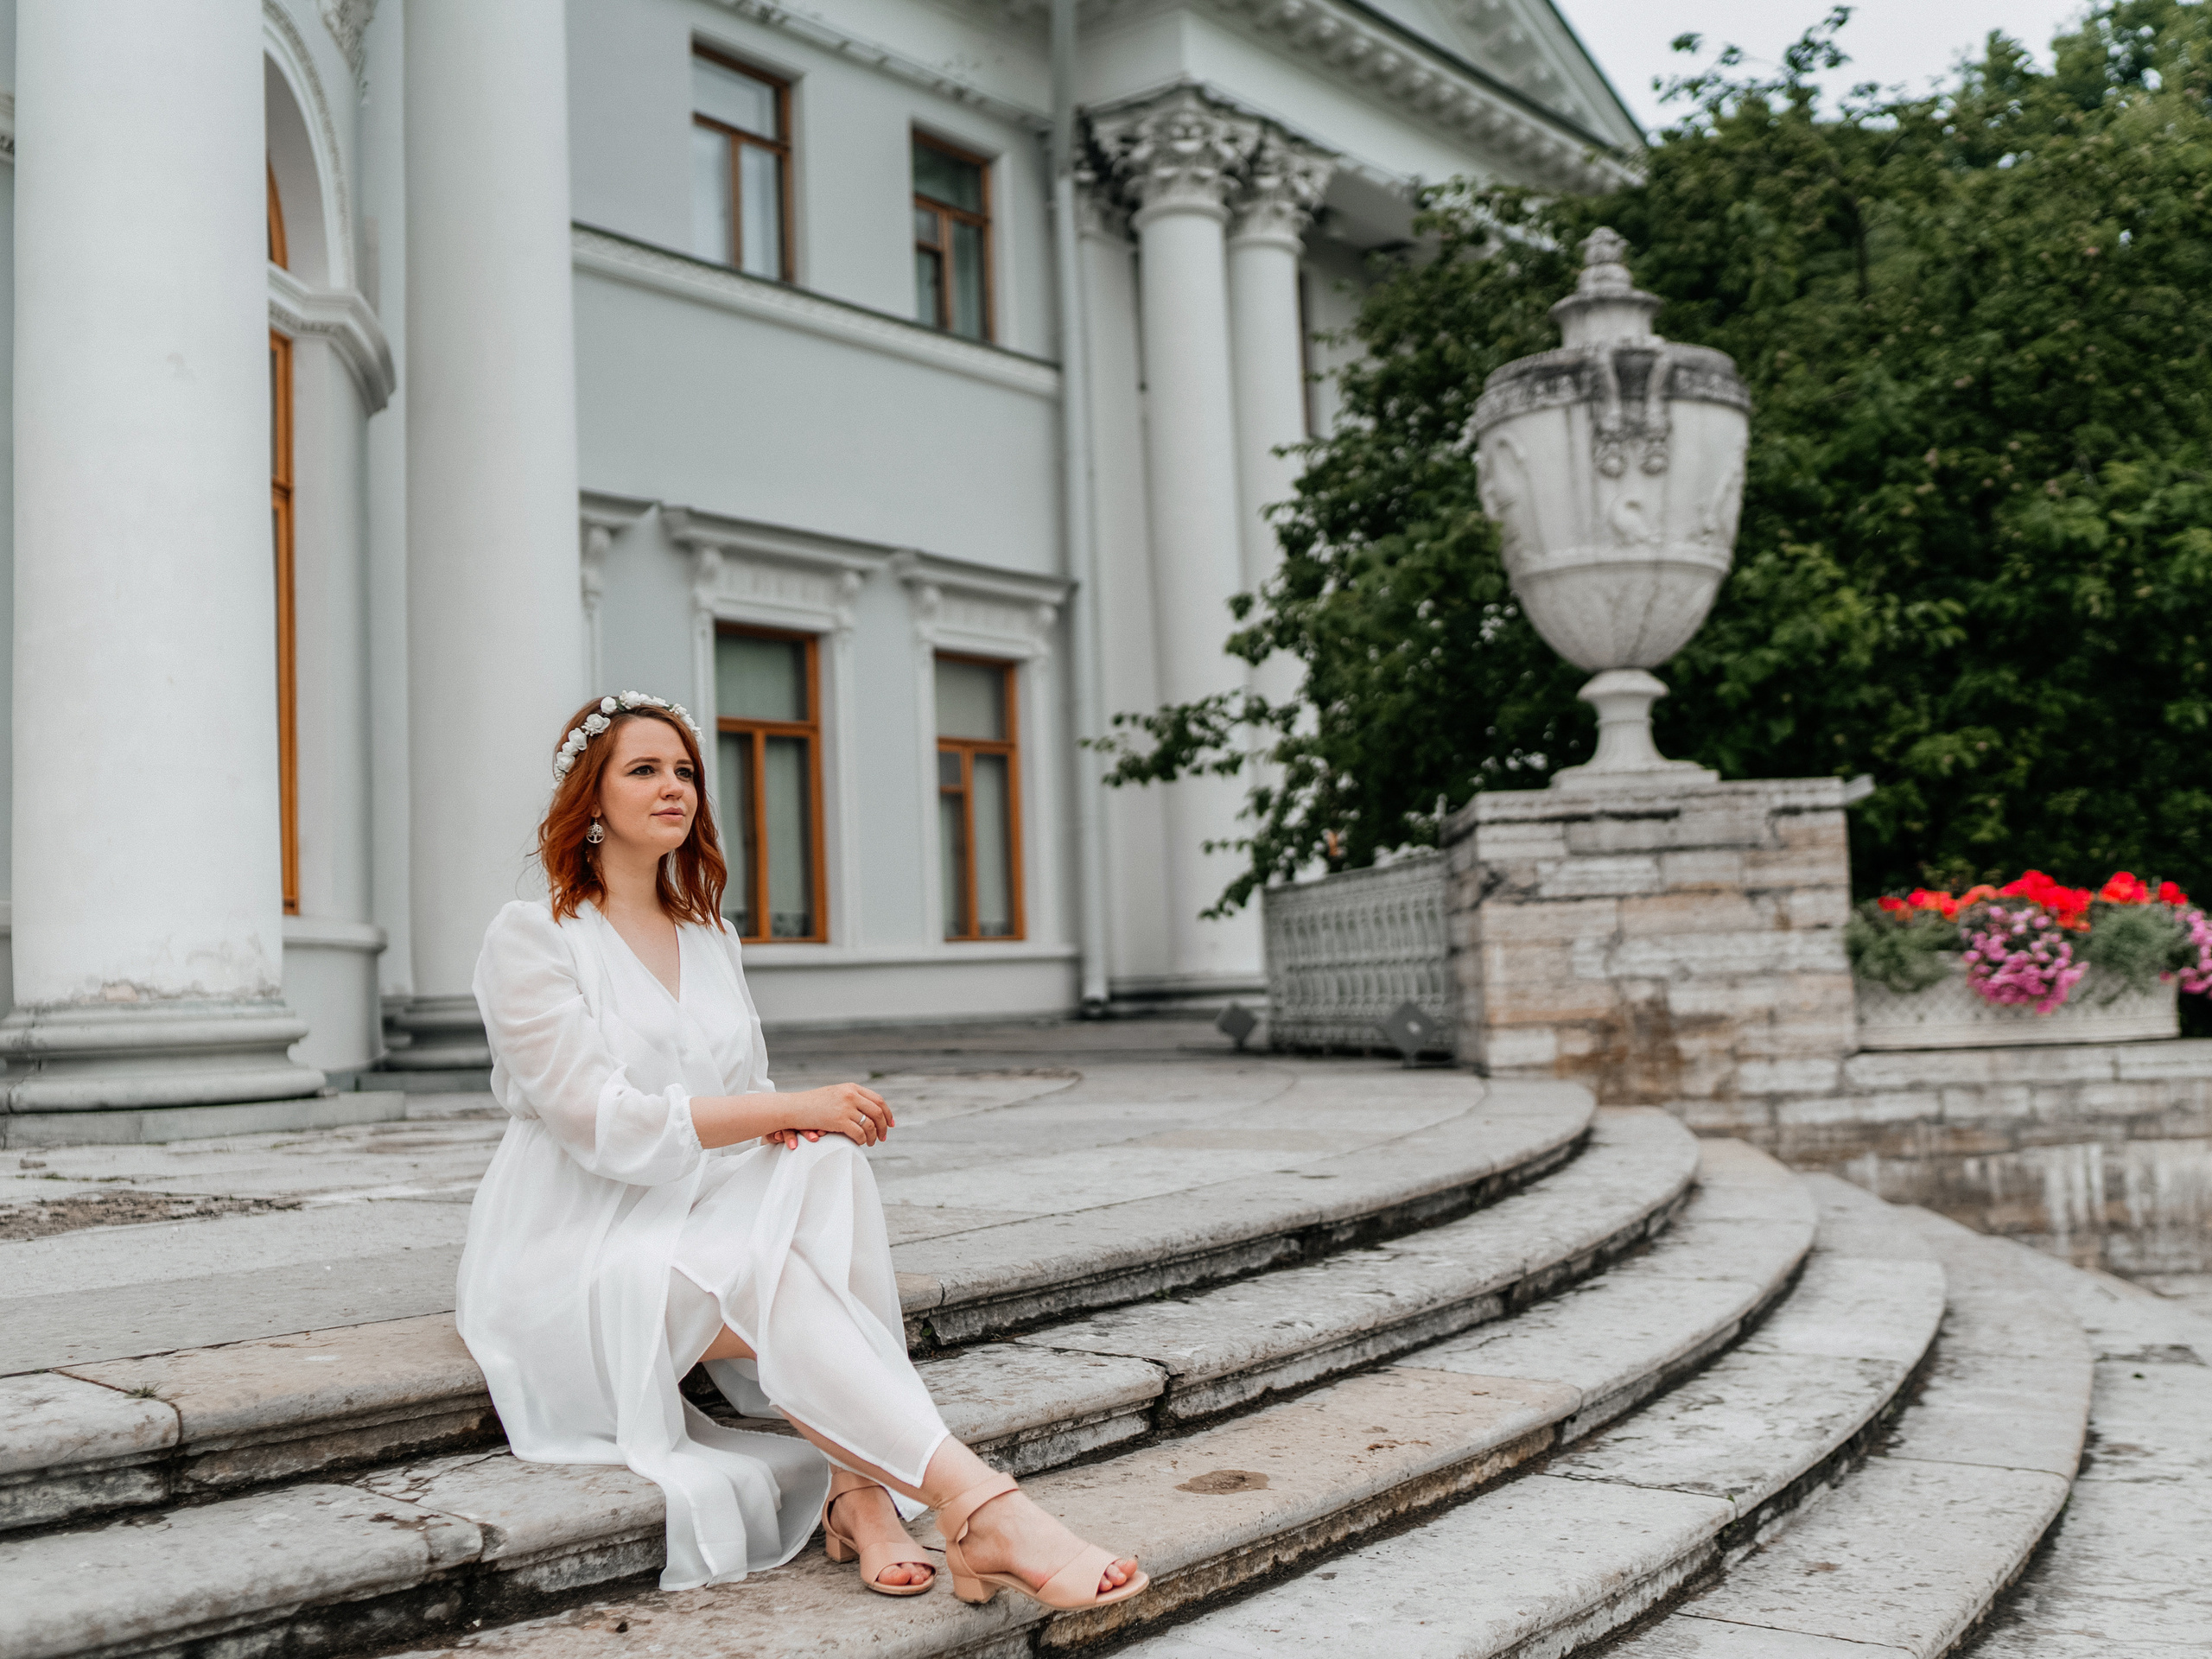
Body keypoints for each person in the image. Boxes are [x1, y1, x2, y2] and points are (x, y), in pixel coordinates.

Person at [454, 692, 1146, 1608]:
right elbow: (602, 1124)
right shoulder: (533, 935)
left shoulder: (709, 936)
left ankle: (893, 1501)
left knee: (824, 1161)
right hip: (571, 1244)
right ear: (591, 797)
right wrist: (780, 1106)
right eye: (644, 770)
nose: (674, 787)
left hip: (686, 1216)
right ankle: (959, 1507)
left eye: (685, 771)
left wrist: (792, 1121)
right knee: (783, 1269)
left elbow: (744, 1093)